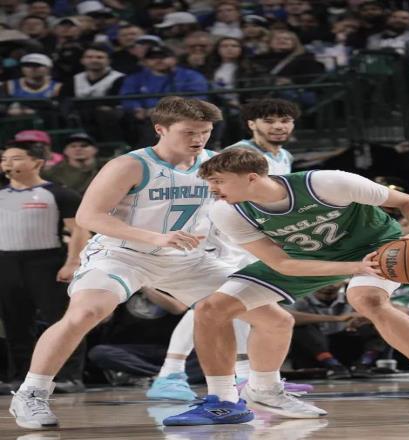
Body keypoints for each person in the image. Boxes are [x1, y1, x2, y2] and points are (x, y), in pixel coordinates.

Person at [163, 148, 409, 426]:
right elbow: (282, 264)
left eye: (219, 181)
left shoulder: (326, 183)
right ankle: (224, 402)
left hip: (376, 247)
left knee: (367, 299)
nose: (213, 189)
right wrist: (351, 268)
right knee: (212, 308)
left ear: (252, 177)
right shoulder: (227, 210)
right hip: (305, 258)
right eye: (210, 183)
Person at [8, 96, 240, 430]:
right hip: (122, 254)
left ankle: (238, 395)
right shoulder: (130, 165)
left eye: (205, 131)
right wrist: (155, 237)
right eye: (189, 132)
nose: (198, 138)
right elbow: (89, 216)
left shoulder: (215, 163)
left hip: (186, 257)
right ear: (160, 129)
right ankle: (31, 393)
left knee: (263, 311)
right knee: (86, 312)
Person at [146, 98, 308, 401]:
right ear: (251, 124)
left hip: (250, 235)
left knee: (241, 303)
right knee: (215, 303)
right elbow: (216, 194)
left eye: (284, 120)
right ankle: (171, 372)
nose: (278, 126)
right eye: (269, 120)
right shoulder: (236, 154)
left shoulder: (283, 155)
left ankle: (247, 376)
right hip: (223, 235)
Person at [0, 141, 89, 394]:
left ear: (37, 162)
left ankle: (70, 376)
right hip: (6, 263)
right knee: (15, 323)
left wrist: (73, 262)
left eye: (16, 158)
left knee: (62, 321)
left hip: (47, 262)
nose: (8, 163)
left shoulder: (59, 193)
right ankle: (20, 377)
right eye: (4, 159)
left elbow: (80, 230)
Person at [42, 132, 108, 194]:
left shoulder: (107, 168)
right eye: (73, 146)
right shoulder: (52, 173)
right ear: (65, 151)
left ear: (95, 149)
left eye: (84, 146)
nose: (78, 149)